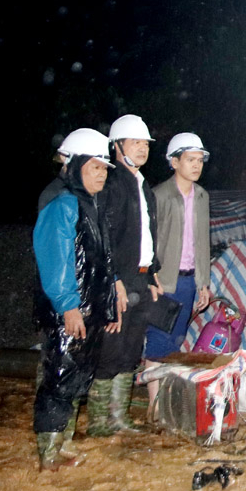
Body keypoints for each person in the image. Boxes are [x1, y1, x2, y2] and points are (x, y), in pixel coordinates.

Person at [32, 128, 119, 470]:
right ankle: (48, 455)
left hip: (89, 311)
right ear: (78, 165)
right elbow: (56, 260)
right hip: (69, 312)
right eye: (95, 166)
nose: (101, 174)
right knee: (59, 378)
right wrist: (68, 305)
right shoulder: (64, 204)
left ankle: (62, 444)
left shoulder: (90, 204)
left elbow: (103, 261)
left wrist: (107, 307)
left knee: (77, 377)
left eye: (104, 168)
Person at [87, 114, 163, 436]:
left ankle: (119, 418)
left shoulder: (143, 184)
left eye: (146, 143)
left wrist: (153, 274)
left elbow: (145, 235)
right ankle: (99, 424)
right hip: (118, 281)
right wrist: (114, 280)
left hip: (140, 280)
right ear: (117, 146)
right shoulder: (113, 183)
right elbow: (104, 237)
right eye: (136, 142)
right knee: (110, 350)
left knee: (131, 350)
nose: (143, 148)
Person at [145, 132, 213, 360]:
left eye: (200, 160)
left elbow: (202, 243)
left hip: (188, 281)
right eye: (190, 160)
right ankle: (155, 393)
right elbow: (149, 241)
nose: (196, 166)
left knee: (177, 338)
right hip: (164, 280)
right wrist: (151, 278)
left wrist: (203, 283)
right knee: (159, 338)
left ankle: (165, 393)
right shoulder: (159, 195)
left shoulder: (202, 196)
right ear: (174, 162)